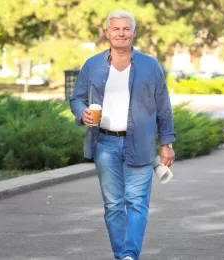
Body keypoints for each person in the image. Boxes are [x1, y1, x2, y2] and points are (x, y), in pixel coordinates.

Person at [70, 10, 176, 260]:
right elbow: (77, 98)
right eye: (115, 29)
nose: (121, 33)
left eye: (126, 28)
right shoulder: (92, 64)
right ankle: (122, 254)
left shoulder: (150, 65)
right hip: (104, 144)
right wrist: (82, 113)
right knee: (114, 204)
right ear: (107, 33)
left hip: (140, 143)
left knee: (137, 202)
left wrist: (167, 143)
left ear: (134, 32)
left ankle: (129, 255)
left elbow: (163, 105)